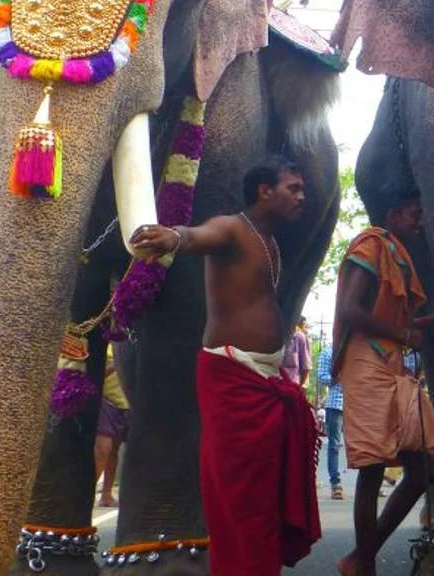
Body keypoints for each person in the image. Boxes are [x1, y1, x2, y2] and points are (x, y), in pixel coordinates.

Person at [129, 157, 320, 575]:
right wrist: (174, 236)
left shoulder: (269, 241)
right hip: (232, 380)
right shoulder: (232, 228)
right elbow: (198, 235)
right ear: (264, 191)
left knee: (263, 497)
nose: (302, 197)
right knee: (239, 497)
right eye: (293, 188)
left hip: (264, 380)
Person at [333, 193, 434, 576]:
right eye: (414, 214)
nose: (420, 222)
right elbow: (350, 310)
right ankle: (365, 566)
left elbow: (395, 323)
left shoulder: (395, 252)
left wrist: (429, 320)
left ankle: (358, 559)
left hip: (389, 363)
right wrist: (405, 334)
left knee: (423, 470)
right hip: (366, 362)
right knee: (373, 468)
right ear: (392, 213)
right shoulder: (371, 244)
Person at [94, 343, 131, 507]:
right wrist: (117, 364)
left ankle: (106, 494)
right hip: (106, 400)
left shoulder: (131, 342)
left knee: (114, 450)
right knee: (103, 448)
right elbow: (94, 375)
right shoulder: (104, 345)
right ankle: (87, 493)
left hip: (126, 401)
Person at [316, 343, 345, 500]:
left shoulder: (356, 349)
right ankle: (336, 483)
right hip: (336, 403)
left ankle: (371, 483)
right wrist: (337, 378)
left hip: (359, 403)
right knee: (334, 446)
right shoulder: (328, 352)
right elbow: (321, 376)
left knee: (366, 444)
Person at [282, 316, 311, 386]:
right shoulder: (273, 335)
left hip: (291, 385)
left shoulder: (299, 337)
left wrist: (299, 387)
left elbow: (306, 367)